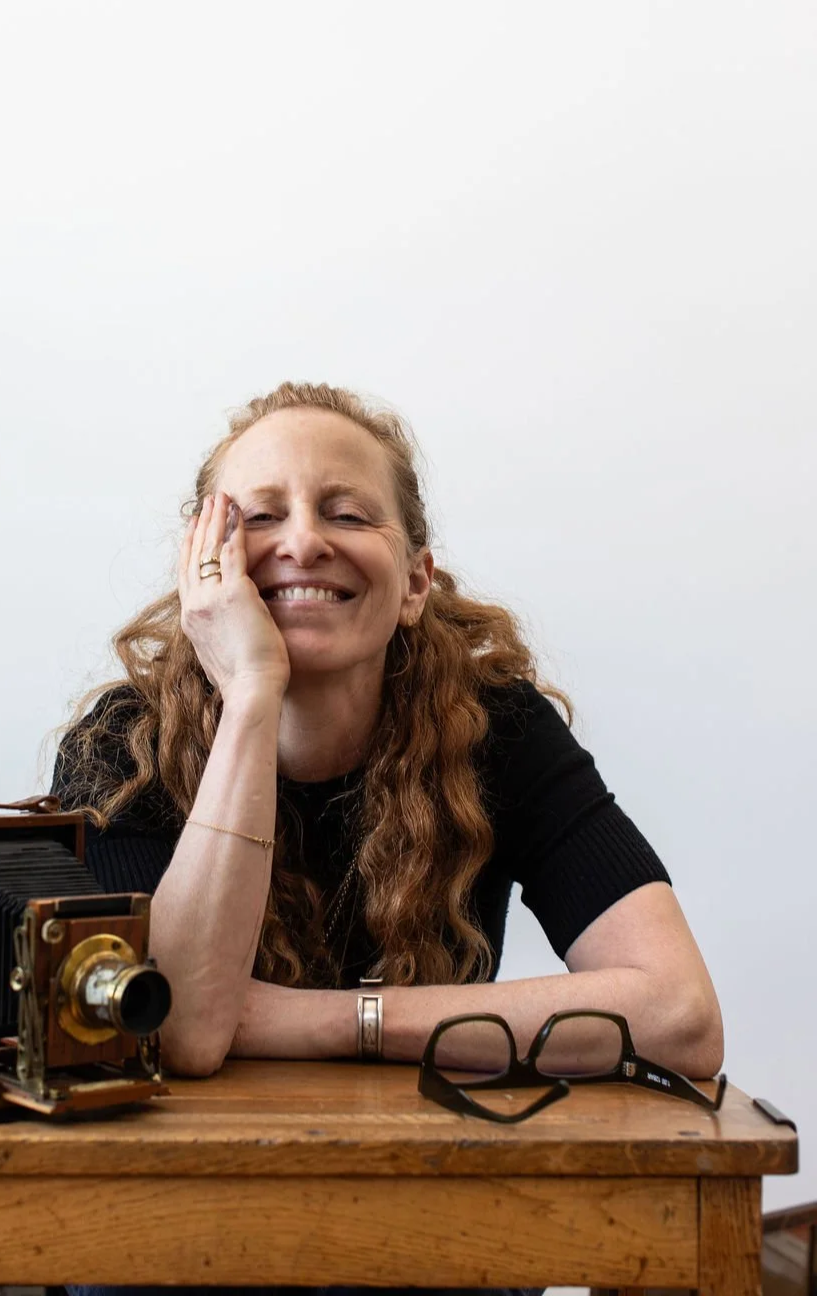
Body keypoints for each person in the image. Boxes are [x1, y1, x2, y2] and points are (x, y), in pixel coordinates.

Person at [54, 381, 723, 1296]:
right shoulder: (116, 746)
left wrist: (315, 1021)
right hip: (173, 1225)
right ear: (202, 567)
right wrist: (251, 691)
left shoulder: (501, 731)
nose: (301, 541)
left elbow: (681, 1015)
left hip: (427, 1211)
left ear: (414, 581)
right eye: (258, 515)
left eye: (346, 512)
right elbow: (184, 1031)